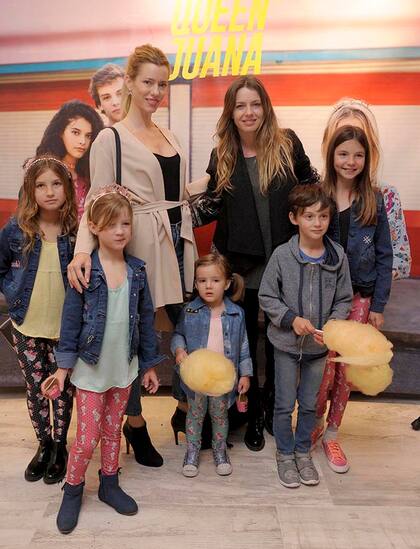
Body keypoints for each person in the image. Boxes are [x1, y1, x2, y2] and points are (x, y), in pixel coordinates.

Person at [66, 44, 201, 466]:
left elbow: (174, 193)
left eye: (162, 83)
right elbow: (99, 203)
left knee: (189, 331)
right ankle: (135, 424)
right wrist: (82, 252)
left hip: (179, 242)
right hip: (139, 245)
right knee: (131, 338)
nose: (156, 91)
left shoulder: (170, 135)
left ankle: (186, 413)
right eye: (148, 82)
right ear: (128, 81)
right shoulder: (111, 138)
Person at [192, 76, 319, 451]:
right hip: (241, 268)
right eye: (240, 105)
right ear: (230, 113)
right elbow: (213, 207)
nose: (249, 112)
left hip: (286, 263)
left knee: (279, 342)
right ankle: (244, 411)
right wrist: (172, 210)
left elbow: (311, 190)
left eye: (255, 104)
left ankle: (269, 409)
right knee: (244, 339)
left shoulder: (287, 144)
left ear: (266, 107)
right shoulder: (223, 155)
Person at [42, 188, 162, 534]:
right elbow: (70, 322)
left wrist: (150, 364)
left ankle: (109, 482)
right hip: (90, 371)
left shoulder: (137, 271)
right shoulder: (85, 272)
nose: (120, 231)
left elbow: (146, 317)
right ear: (93, 227)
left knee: (112, 432)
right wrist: (63, 369)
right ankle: (73, 487)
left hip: (123, 368)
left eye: (126, 223)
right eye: (111, 225)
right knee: (87, 436)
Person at [259, 184, 353, 488]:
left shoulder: (337, 257)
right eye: (309, 216)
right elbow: (267, 296)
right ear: (294, 217)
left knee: (310, 404)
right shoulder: (282, 256)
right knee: (285, 403)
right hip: (286, 345)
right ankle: (285, 454)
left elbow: (344, 299)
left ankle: (302, 452)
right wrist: (290, 319)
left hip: (318, 349)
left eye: (323, 216)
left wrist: (335, 324)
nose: (317, 223)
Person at [313, 125, 393, 473]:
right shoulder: (319, 197)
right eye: (343, 153)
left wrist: (377, 306)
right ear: (332, 156)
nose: (351, 161)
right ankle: (312, 425)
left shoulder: (374, 200)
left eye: (358, 155)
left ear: (367, 159)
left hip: (361, 298)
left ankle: (333, 432)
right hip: (325, 300)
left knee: (346, 371)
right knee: (322, 370)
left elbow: (385, 255)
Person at [0, 156, 77, 484]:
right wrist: (11, 294)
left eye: (56, 184)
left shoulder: (77, 230)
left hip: (65, 328)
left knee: (61, 388)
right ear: (30, 191)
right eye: (41, 185)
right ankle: (43, 445)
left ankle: (60, 447)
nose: (49, 191)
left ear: (67, 188)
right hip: (27, 325)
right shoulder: (17, 228)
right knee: (35, 387)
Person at [171, 253, 252, 477]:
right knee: (195, 415)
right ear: (195, 283)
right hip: (196, 379)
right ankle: (192, 450)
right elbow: (178, 335)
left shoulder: (236, 313)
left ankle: (219, 450)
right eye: (202, 281)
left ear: (226, 283)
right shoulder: (189, 311)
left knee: (219, 416)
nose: (208, 286)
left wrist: (245, 374)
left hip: (222, 381)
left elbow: (243, 345)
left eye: (215, 281)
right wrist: (179, 349)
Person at [321, 98, 411, 280]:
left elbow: (400, 259)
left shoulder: (386, 195)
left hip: (365, 297)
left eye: (358, 136)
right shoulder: (317, 194)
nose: (351, 142)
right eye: (343, 136)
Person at [36, 100, 104, 220]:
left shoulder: (90, 171)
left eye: (88, 136)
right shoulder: (43, 169)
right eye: (76, 132)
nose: (82, 141)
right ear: (61, 132)